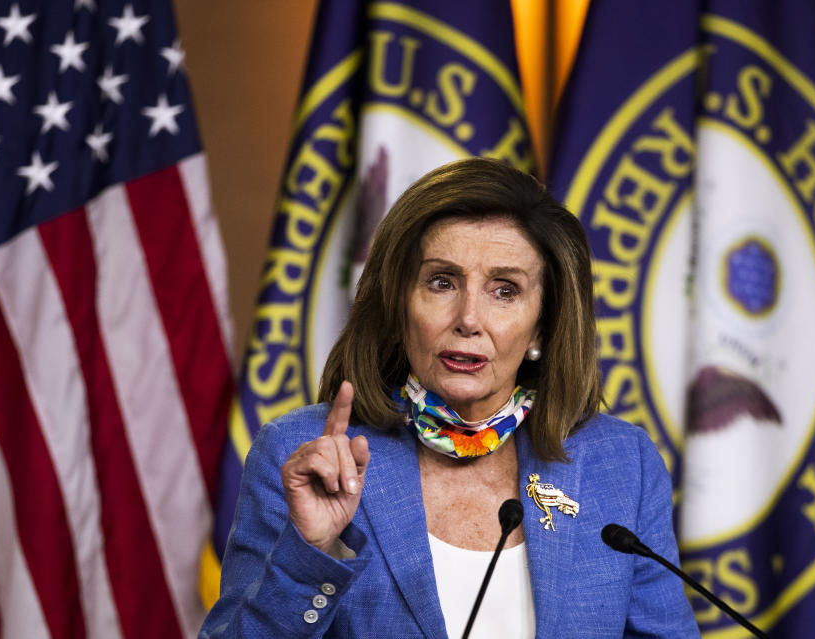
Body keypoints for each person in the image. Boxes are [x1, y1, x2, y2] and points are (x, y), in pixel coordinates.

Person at [200, 158, 698, 637]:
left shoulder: (621, 464)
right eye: (442, 282)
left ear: (540, 328)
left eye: (504, 290)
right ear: (400, 305)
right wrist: (311, 552)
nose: (468, 318)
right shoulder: (299, 455)